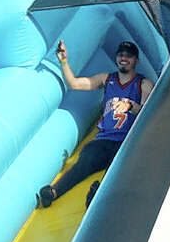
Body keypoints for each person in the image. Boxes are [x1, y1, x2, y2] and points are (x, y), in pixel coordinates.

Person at [37, 39, 153, 208]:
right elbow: (75, 84)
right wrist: (63, 61)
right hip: (103, 141)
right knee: (84, 162)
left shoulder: (143, 84)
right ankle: (53, 192)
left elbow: (146, 111)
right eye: (120, 54)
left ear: (136, 61)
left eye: (129, 56)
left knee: (117, 170)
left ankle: (98, 196)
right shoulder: (107, 79)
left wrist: (129, 105)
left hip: (127, 142)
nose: (123, 58)